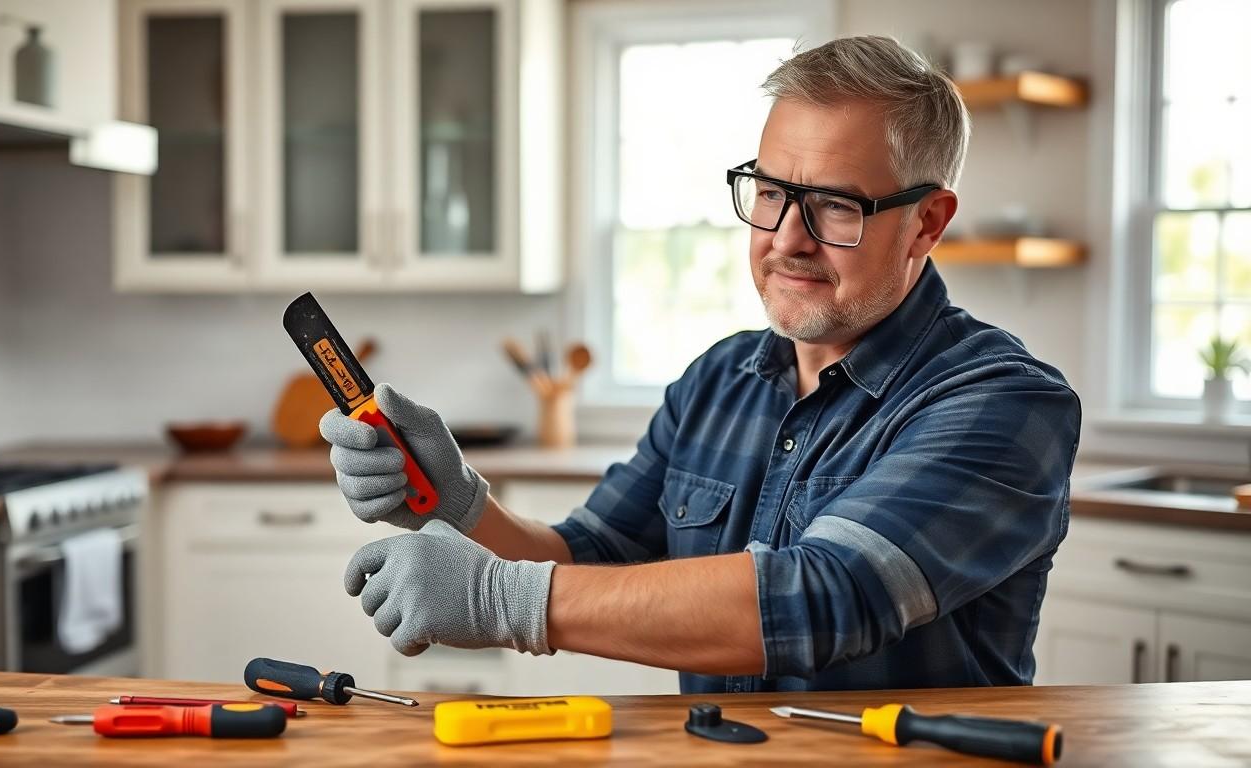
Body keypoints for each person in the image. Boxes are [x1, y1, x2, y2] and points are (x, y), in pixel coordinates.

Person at [320, 35, 1081, 694]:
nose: (787, 238)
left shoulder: (1003, 403)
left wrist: (499, 600)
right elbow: (585, 557)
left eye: (836, 206)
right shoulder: (718, 383)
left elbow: (824, 595)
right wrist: (454, 502)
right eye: (773, 192)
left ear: (927, 223)